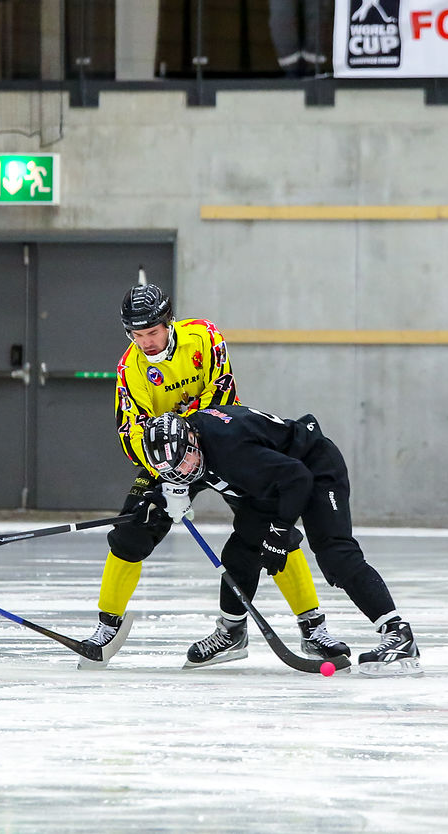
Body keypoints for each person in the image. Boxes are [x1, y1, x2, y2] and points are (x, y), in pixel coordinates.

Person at [79, 283, 343, 670]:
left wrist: (187, 438)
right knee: (131, 531)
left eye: (152, 332)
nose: (146, 342)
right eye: (136, 335)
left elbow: (221, 394)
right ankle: (108, 625)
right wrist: (166, 474)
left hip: (223, 445)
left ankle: (312, 627)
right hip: (168, 457)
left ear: (169, 323)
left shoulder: (204, 336)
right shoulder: (129, 369)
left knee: (271, 526)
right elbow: (131, 431)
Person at [141, 408, 421, 676]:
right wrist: (165, 494)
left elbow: (297, 478)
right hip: (274, 481)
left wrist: (279, 531)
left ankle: (398, 634)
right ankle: (232, 632)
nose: (183, 471)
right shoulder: (193, 441)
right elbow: (191, 474)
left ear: (192, 438)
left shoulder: (230, 448)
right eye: (173, 469)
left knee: (334, 553)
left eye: (184, 460)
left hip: (313, 467)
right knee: (241, 550)